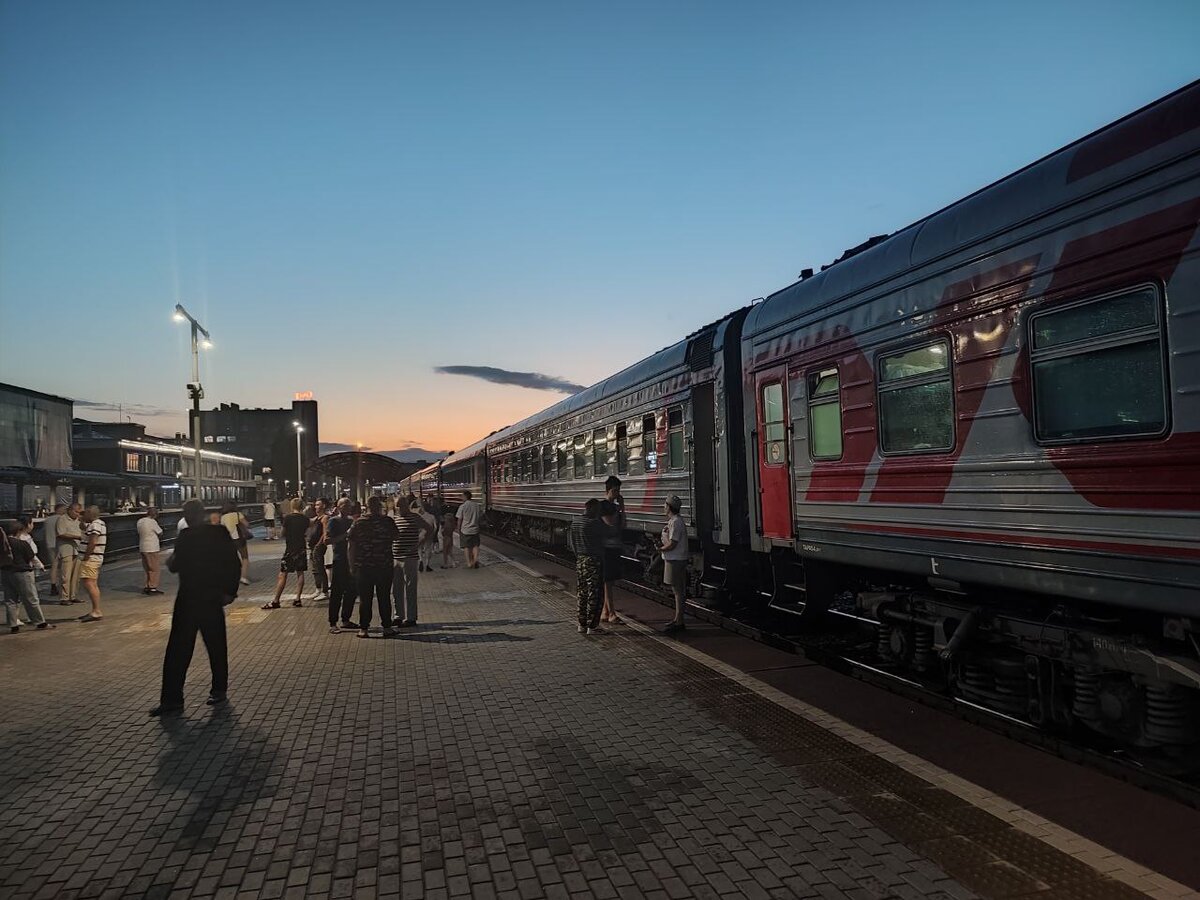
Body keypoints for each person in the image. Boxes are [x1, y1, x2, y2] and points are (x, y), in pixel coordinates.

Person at [150, 499, 241, 716]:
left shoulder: (185, 537)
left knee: (177, 651)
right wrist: (230, 591)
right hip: (212, 597)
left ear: (187, 515)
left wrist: (172, 558)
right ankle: (218, 690)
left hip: (188, 598)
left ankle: (172, 699)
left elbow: (174, 566)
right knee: (217, 646)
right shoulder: (219, 533)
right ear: (202, 513)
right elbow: (233, 562)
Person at [348, 495, 399, 638]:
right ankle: (387, 628)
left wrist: (352, 565)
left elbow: (351, 545)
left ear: (367, 506)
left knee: (365, 598)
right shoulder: (387, 521)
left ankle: (363, 629)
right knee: (384, 597)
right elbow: (396, 537)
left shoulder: (358, 523)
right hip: (384, 565)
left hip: (364, 566)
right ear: (379, 507)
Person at [392, 493, 436, 628]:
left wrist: (420, 542)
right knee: (396, 589)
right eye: (398, 506)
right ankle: (398, 616)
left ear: (407, 505)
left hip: (410, 558)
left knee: (410, 588)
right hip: (395, 558)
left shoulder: (415, 517)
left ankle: (411, 617)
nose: (400, 508)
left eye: (403, 505)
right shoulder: (393, 519)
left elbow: (429, 528)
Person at [2, 521, 51, 632]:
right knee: (30, 598)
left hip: (6, 573)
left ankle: (13, 625)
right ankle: (40, 623)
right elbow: (32, 558)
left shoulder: (3, 544)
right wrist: (41, 566)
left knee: (10, 600)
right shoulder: (21, 543)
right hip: (22, 572)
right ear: (18, 531)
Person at [570, 499, 607, 635]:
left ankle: (581, 624)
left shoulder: (576, 522)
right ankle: (593, 626)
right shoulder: (595, 523)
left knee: (582, 592)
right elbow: (609, 533)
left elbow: (572, 543)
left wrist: (579, 555)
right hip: (594, 561)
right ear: (593, 510)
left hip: (580, 559)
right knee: (595, 594)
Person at [265, 498, 308, 609]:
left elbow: (282, 533)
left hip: (290, 549)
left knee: (283, 574)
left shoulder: (288, 518)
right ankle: (298, 599)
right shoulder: (305, 519)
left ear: (292, 506)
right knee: (300, 573)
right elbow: (308, 533)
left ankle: (276, 600)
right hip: (301, 549)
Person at [325, 498, 359, 633]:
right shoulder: (334, 521)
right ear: (339, 507)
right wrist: (346, 535)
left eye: (350, 505)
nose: (349, 507)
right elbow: (327, 540)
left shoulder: (352, 521)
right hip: (339, 559)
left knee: (351, 591)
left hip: (351, 560)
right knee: (337, 592)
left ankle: (346, 619)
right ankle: (333, 622)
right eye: (346, 505)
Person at [660, 495, 688, 634]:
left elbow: (673, 544)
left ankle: (679, 621)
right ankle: (677, 619)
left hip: (676, 559)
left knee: (678, 591)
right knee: (677, 590)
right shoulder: (673, 521)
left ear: (669, 507)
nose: (663, 507)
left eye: (665, 505)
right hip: (674, 558)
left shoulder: (676, 522)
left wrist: (660, 548)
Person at [600, 476, 626, 624]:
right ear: (608, 490)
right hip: (606, 549)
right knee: (608, 582)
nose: (617, 494)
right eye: (615, 490)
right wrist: (618, 510)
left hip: (614, 547)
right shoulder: (603, 506)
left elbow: (623, 525)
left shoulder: (615, 507)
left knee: (610, 582)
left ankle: (605, 612)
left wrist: (622, 507)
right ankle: (612, 614)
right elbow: (611, 526)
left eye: (619, 491)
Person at [77, 506, 107, 622]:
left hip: (91, 558)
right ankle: (95, 610)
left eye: (85, 513)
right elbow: (86, 532)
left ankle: (96, 611)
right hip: (95, 558)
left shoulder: (95, 525)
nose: (82, 515)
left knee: (89, 583)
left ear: (90, 513)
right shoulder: (98, 523)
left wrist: (86, 556)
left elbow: (93, 541)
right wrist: (82, 523)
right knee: (92, 583)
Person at [56, 503, 84, 605]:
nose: (77, 514)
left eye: (79, 512)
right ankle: (64, 597)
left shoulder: (79, 520)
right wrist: (76, 537)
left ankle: (73, 595)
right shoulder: (62, 519)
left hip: (77, 549)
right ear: (70, 510)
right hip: (66, 549)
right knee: (65, 575)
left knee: (76, 575)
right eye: (76, 512)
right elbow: (61, 533)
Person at [219, 500, 252, 585]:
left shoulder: (223, 517)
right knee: (245, 558)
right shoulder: (238, 514)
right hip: (239, 539)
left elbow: (222, 529)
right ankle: (243, 577)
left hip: (228, 541)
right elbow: (247, 524)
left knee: (231, 559)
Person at [138, 507, 165, 595]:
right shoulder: (152, 522)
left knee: (147, 568)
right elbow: (160, 532)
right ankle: (152, 588)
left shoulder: (140, 521)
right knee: (154, 568)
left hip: (142, 547)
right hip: (152, 548)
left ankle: (147, 586)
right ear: (155, 515)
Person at [308, 499, 330, 598]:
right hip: (313, 546)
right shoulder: (316, 518)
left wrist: (320, 543)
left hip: (318, 546)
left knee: (320, 568)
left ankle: (325, 591)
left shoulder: (325, 518)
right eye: (315, 505)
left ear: (323, 506)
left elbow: (325, 532)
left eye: (318, 505)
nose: (316, 506)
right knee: (315, 569)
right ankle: (318, 589)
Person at [456, 490, 482, 569]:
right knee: (475, 545)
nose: (461, 497)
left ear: (465, 497)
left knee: (466, 547)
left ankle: (469, 563)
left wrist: (458, 528)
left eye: (462, 496)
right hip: (475, 529)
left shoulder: (463, 506)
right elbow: (480, 516)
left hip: (465, 530)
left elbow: (460, 519)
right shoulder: (476, 505)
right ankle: (475, 560)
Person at [43, 503, 65, 597]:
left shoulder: (47, 520)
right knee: (63, 567)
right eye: (64, 509)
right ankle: (62, 586)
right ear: (59, 510)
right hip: (59, 545)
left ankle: (53, 586)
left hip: (49, 544)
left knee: (54, 566)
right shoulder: (62, 519)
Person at [417, 500, 438, 573]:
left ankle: (420, 559)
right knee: (428, 549)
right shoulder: (432, 516)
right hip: (429, 535)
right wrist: (433, 533)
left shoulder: (419, 516)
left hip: (420, 534)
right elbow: (435, 527)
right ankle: (427, 565)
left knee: (419, 548)